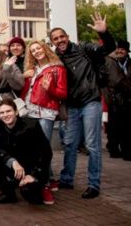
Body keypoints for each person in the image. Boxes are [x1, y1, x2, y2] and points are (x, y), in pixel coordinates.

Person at [50, 13, 115, 199]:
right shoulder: (55, 58)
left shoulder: (84, 48)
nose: (60, 40)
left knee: (92, 144)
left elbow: (109, 48)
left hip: (90, 102)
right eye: (55, 39)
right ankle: (67, 179)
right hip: (71, 106)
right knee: (69, 144)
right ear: (53, 42)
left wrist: (104, 33)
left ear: (67, 37)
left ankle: (93, 184)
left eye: (62, 36)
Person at [21, 39, 67, 200]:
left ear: (45, 49)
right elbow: (26, 90)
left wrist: (50, 88)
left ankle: (44, 185)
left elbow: (63, 93)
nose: (36, 52)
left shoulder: (58, 68)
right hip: (29, 111)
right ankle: (48, 178)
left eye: (38, 48)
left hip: (46, 112)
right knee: (34, 149)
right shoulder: (32, 70)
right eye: (33, 51)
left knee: (43, 150)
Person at [0, 99, 52, 205]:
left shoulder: (31, 125)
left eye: (8, 111)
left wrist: (34, 175)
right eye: (2, 113)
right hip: (15, 167)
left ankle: (36, 187)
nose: (5, 115)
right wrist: (12, 161)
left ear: (16, 112)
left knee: (30, 196)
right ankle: (8, 194)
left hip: (32, 168)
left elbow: (46, 152)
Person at [106, 40, 131, 160]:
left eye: (123, 49)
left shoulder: (129, 63)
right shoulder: (110, 61)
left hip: (128, 99)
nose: (120, 51)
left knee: (127, 126)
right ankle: (114, 149)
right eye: (118, 48)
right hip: (114, 98)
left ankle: (126, 151)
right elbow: (114, 80)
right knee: (114, 126)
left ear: (127, 51)